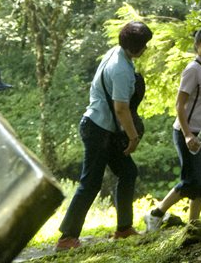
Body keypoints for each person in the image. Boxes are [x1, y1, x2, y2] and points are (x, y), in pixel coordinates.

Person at [56, 20, 153, 252]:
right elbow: (121, 109)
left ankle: (124, 229)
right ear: (135, 47)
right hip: (97, 129)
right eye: (144, 45)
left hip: (104, 128)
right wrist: (133, 137)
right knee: (90, 183)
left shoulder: (118, 53)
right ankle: (66, 238)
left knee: (128, 172)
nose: (146, 49)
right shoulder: (120, 70)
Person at [145, 26, 201, 230]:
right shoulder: (192, 69)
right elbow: (179, 105)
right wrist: (187, 135)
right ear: (197, 45)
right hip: (186, 132)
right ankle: (156, 213)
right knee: (191, 180)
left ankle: (193, 225)